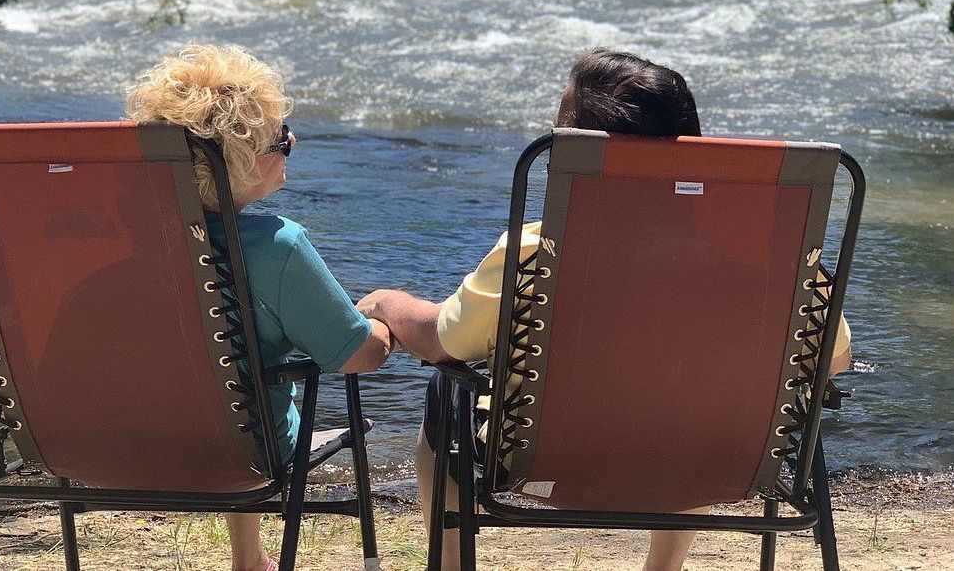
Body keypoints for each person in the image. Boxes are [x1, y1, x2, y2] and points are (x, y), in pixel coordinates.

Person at [357, 47, 852, 571]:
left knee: (445, 389)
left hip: (555, 464)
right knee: (702, 391)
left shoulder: (538, 251)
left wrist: (387, 302)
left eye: (559, 137)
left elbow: (441, 341)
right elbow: (832, 358)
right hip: (716, 464)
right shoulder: (767, 256)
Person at [127, 44, 392, 571]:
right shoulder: (276, 248)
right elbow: (359, 356)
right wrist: (386, 321)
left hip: (122, 441)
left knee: (223, 377)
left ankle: (249, 559)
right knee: (248, 399)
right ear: (239, 165)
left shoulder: (131, 239)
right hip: (243, 448)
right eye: (279, 140)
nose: (292, 142)